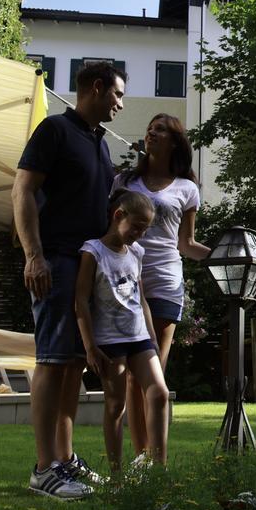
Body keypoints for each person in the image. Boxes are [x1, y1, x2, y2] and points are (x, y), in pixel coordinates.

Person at [13, 62, 125, 500]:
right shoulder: (54, 131)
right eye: (117, 95)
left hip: (86, 270)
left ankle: (64, 458)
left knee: (74, 366)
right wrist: (33, 256)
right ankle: (44, 469)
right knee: (53, 361)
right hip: (55, 262)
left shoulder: (98, 146)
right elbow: (22, 190)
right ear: (96, 88)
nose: (119, 103)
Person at [112, 113, 210, 457]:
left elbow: (186, 243)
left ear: (174, 141)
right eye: (150, 128)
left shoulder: (187, 188)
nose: (151, 133)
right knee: (130, 379)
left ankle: (155, 461)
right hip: (124, 283)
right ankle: (142, 461)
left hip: (166, 282)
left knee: (154, 376)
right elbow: (108, 231)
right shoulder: (124, 181)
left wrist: (225, 257)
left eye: (160, 130)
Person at [75, 190, 170, 471]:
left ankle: (158, 467)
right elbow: (80, 300)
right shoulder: (93, 251)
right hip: (109, 342)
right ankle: (116, 475)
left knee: (159, 392)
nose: (140, 234)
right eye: (137, 226)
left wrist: (152, 337)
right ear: (119, 215)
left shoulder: (137, 252)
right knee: (116, 407)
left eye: (145, 228)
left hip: (139, 337)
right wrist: (90, 346)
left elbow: (141, 299)